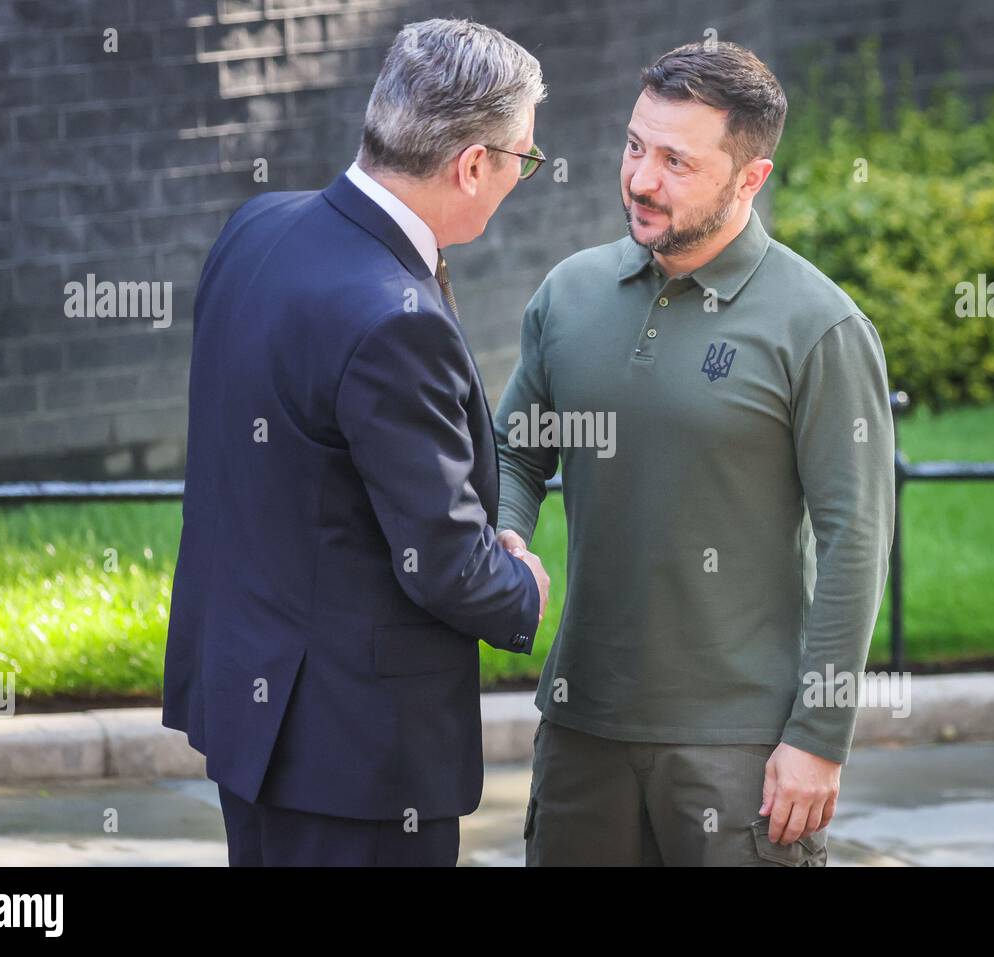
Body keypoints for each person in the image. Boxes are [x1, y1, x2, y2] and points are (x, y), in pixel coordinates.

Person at [495, 41, 895, 866]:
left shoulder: (819, 327)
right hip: (580, 728)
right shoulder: (567, 295)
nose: (642, 179)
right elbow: (516, 451)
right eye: (636, 146)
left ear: (751, 178)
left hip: (741, 748)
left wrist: (819, 736)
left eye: (677, 160)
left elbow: (856, 534)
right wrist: (506, 533)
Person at [162, 18, 550, 866]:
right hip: (357, 762)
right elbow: (443, 559)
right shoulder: (391, 319)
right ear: (473, 164)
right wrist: (518, 582)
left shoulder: (255, 228)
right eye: (524, 156)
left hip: (252, 717)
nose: (522, 173)